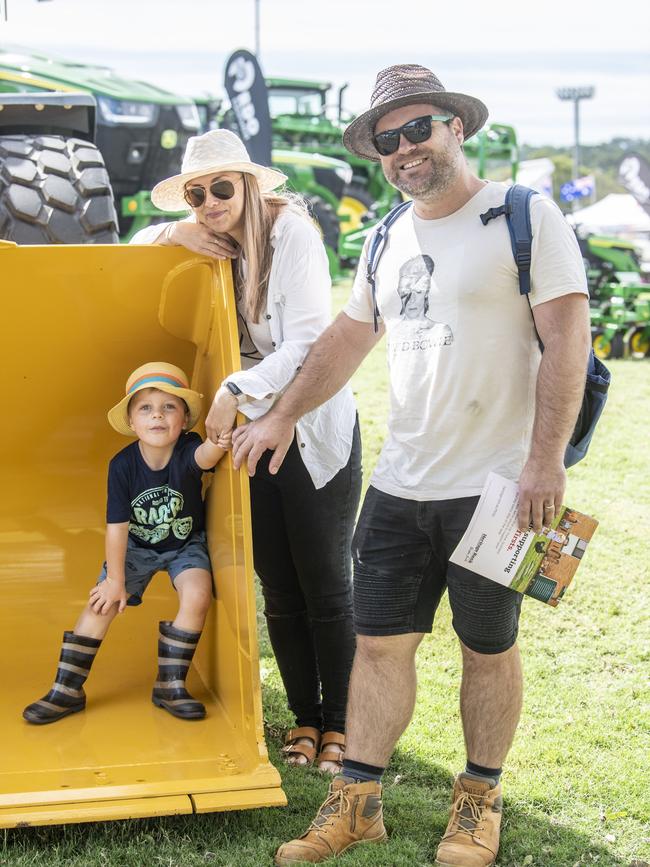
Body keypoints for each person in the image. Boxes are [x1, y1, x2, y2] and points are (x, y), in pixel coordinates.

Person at [230, 65, 591, 866]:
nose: (402, 150)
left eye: (416, 130)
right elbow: (346, 340)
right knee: (379, 645)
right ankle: (355, 802)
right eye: (385, 141)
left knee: (487, 646)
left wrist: (545, 464)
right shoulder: (387, 234)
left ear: (456, 128)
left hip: (501, 486)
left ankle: (478, 802)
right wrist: (283, 412)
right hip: (399, 486)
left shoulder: (525, 217)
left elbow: (570, 341)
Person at [131, 130, 361, 773]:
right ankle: (305, 721)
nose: (208, 202)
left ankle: (342, 724)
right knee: (279, 588)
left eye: (222, 188)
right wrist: (172, 236)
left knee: (325, 586)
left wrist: (236, 386)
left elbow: (310, 341)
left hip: (308, 428)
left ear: (251, 185)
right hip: (243, 436)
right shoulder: (207, 236)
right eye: (196, 193)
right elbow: (126, 250)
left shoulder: (293, 235)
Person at [23, 362, 231, 725]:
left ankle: (170, 684)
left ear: (184, 420)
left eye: (169, 407)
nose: (158, 416)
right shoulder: (122, 466)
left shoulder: (190, 448)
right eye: (146, 408)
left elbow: (205, 458)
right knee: (101, 603)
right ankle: (67, 689)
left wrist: (218, 442)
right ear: (132, 422)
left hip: (185, 544)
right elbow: (117, 527)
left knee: (198, 595)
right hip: (135, 546)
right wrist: (115, 580)